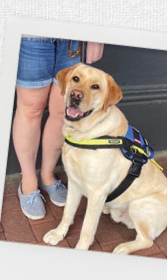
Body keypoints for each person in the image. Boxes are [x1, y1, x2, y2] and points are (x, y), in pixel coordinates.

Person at [12, 37, 104, 219]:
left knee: (63, 111)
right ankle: (28, 182)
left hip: (75, 39)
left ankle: (47, 176)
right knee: (31, 109)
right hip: (32, 35)